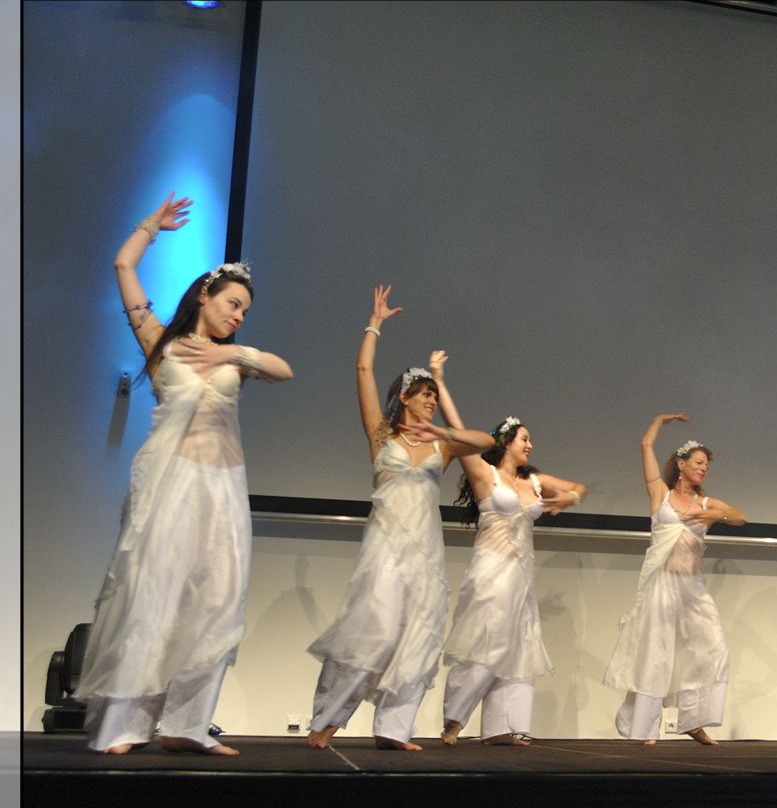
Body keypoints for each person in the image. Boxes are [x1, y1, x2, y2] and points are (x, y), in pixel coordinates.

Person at [76, 192, 294, 755]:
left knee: (218, 602)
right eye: (233, 304)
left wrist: (234, 354)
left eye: (245, 312)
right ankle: (124, 726)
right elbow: (124, 267)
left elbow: (284, 371)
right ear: (205, 294)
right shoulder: (162, 344)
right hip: (173, 484)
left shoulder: (235, 359)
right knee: (155, 595)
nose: (238, 316)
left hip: (224, 489)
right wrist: (150, 226)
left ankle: (186, 726)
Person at [305, 286, 494, 750]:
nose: (430, 401)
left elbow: (487, 442)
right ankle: (327, 719)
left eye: (434, 395)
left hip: (424, 553)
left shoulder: (440, 446)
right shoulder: (381, 435)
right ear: (405, 397)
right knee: (372, 630)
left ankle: (393, 729)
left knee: (418, 633)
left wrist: (441, 431)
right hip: (385, 548)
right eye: (425, 394)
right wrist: (375, 324)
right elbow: (363, 371)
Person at [438, 410, 586, 746]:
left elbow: (580, 487)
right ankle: (455, 719)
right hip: (490, 570)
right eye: (525, 439)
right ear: (506, 442)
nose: (530, 445)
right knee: (488, 639)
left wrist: (571, 497)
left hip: (520, 575)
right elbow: (459, 431)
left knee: (519, 646)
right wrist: (441, 387)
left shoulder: (534, 481)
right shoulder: (484, 473)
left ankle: (503, 727)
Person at [602, 413, 745, 745]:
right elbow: (646, 444)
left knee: (712, 649)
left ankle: (692, 720)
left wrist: (714, 514)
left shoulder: (706, 502)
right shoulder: (660, 496)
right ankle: (645, 728)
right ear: (681, 464)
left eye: (706, 465)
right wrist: (660, 420)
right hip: (662, 586)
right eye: (698, 462)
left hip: (693, 589)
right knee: (657, 654)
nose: (703, 468)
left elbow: (740, 517)